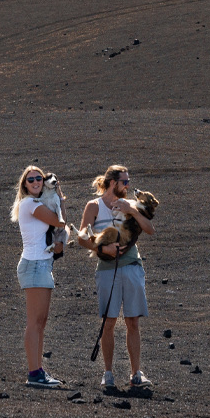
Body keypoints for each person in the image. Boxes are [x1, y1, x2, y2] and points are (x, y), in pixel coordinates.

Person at [79, 164, 155, 389]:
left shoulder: (130, 205)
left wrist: (131, 211)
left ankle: (135, 374)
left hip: (131, 265)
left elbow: (149, 229)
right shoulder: (93, 206)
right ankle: (108, 373)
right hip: (106, 269)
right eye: (125, 182)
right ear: (112, 183)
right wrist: (103, 249)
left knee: (133, 321)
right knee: (109, 322)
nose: (128, 185)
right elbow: (83, 237)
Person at [11, 164, 69, 388]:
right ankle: (34, 373)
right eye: (31, 179)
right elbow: (60, 222)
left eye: (39, 178)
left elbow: (60, 231)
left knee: (41, 322)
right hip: (33, 265)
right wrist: (60, 199)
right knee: (34, 323)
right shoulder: (30, 203)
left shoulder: (39, 203)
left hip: (42, 265)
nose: (36, 182)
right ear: (25, 185)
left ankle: (38, 370)